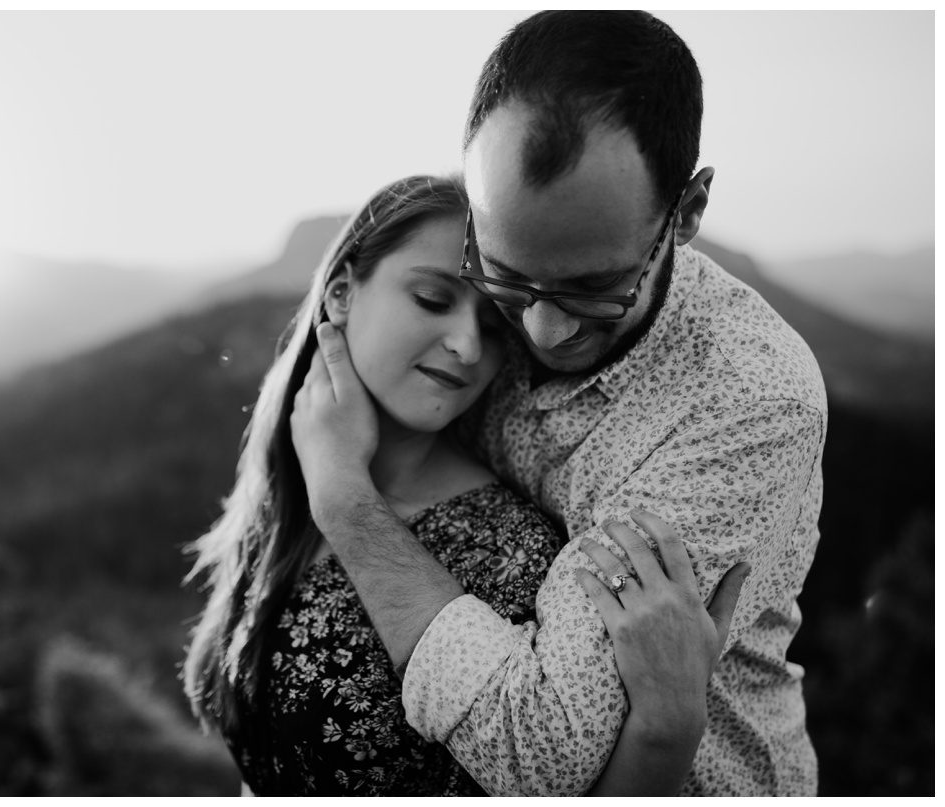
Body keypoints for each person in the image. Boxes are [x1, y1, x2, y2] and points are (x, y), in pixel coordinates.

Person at [290, 11, 826, 797]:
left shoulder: (748, 399)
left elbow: (541, 751)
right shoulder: (479, 322)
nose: (539, 328)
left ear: (687, 211)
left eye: (594, 288)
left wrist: (346, 504)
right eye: (504, 275)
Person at [183, 174, 747, 796]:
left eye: (495, 322)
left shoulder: (509, 558)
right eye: (431, 299)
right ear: (341, 293)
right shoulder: (279, 508)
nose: (466, 345)